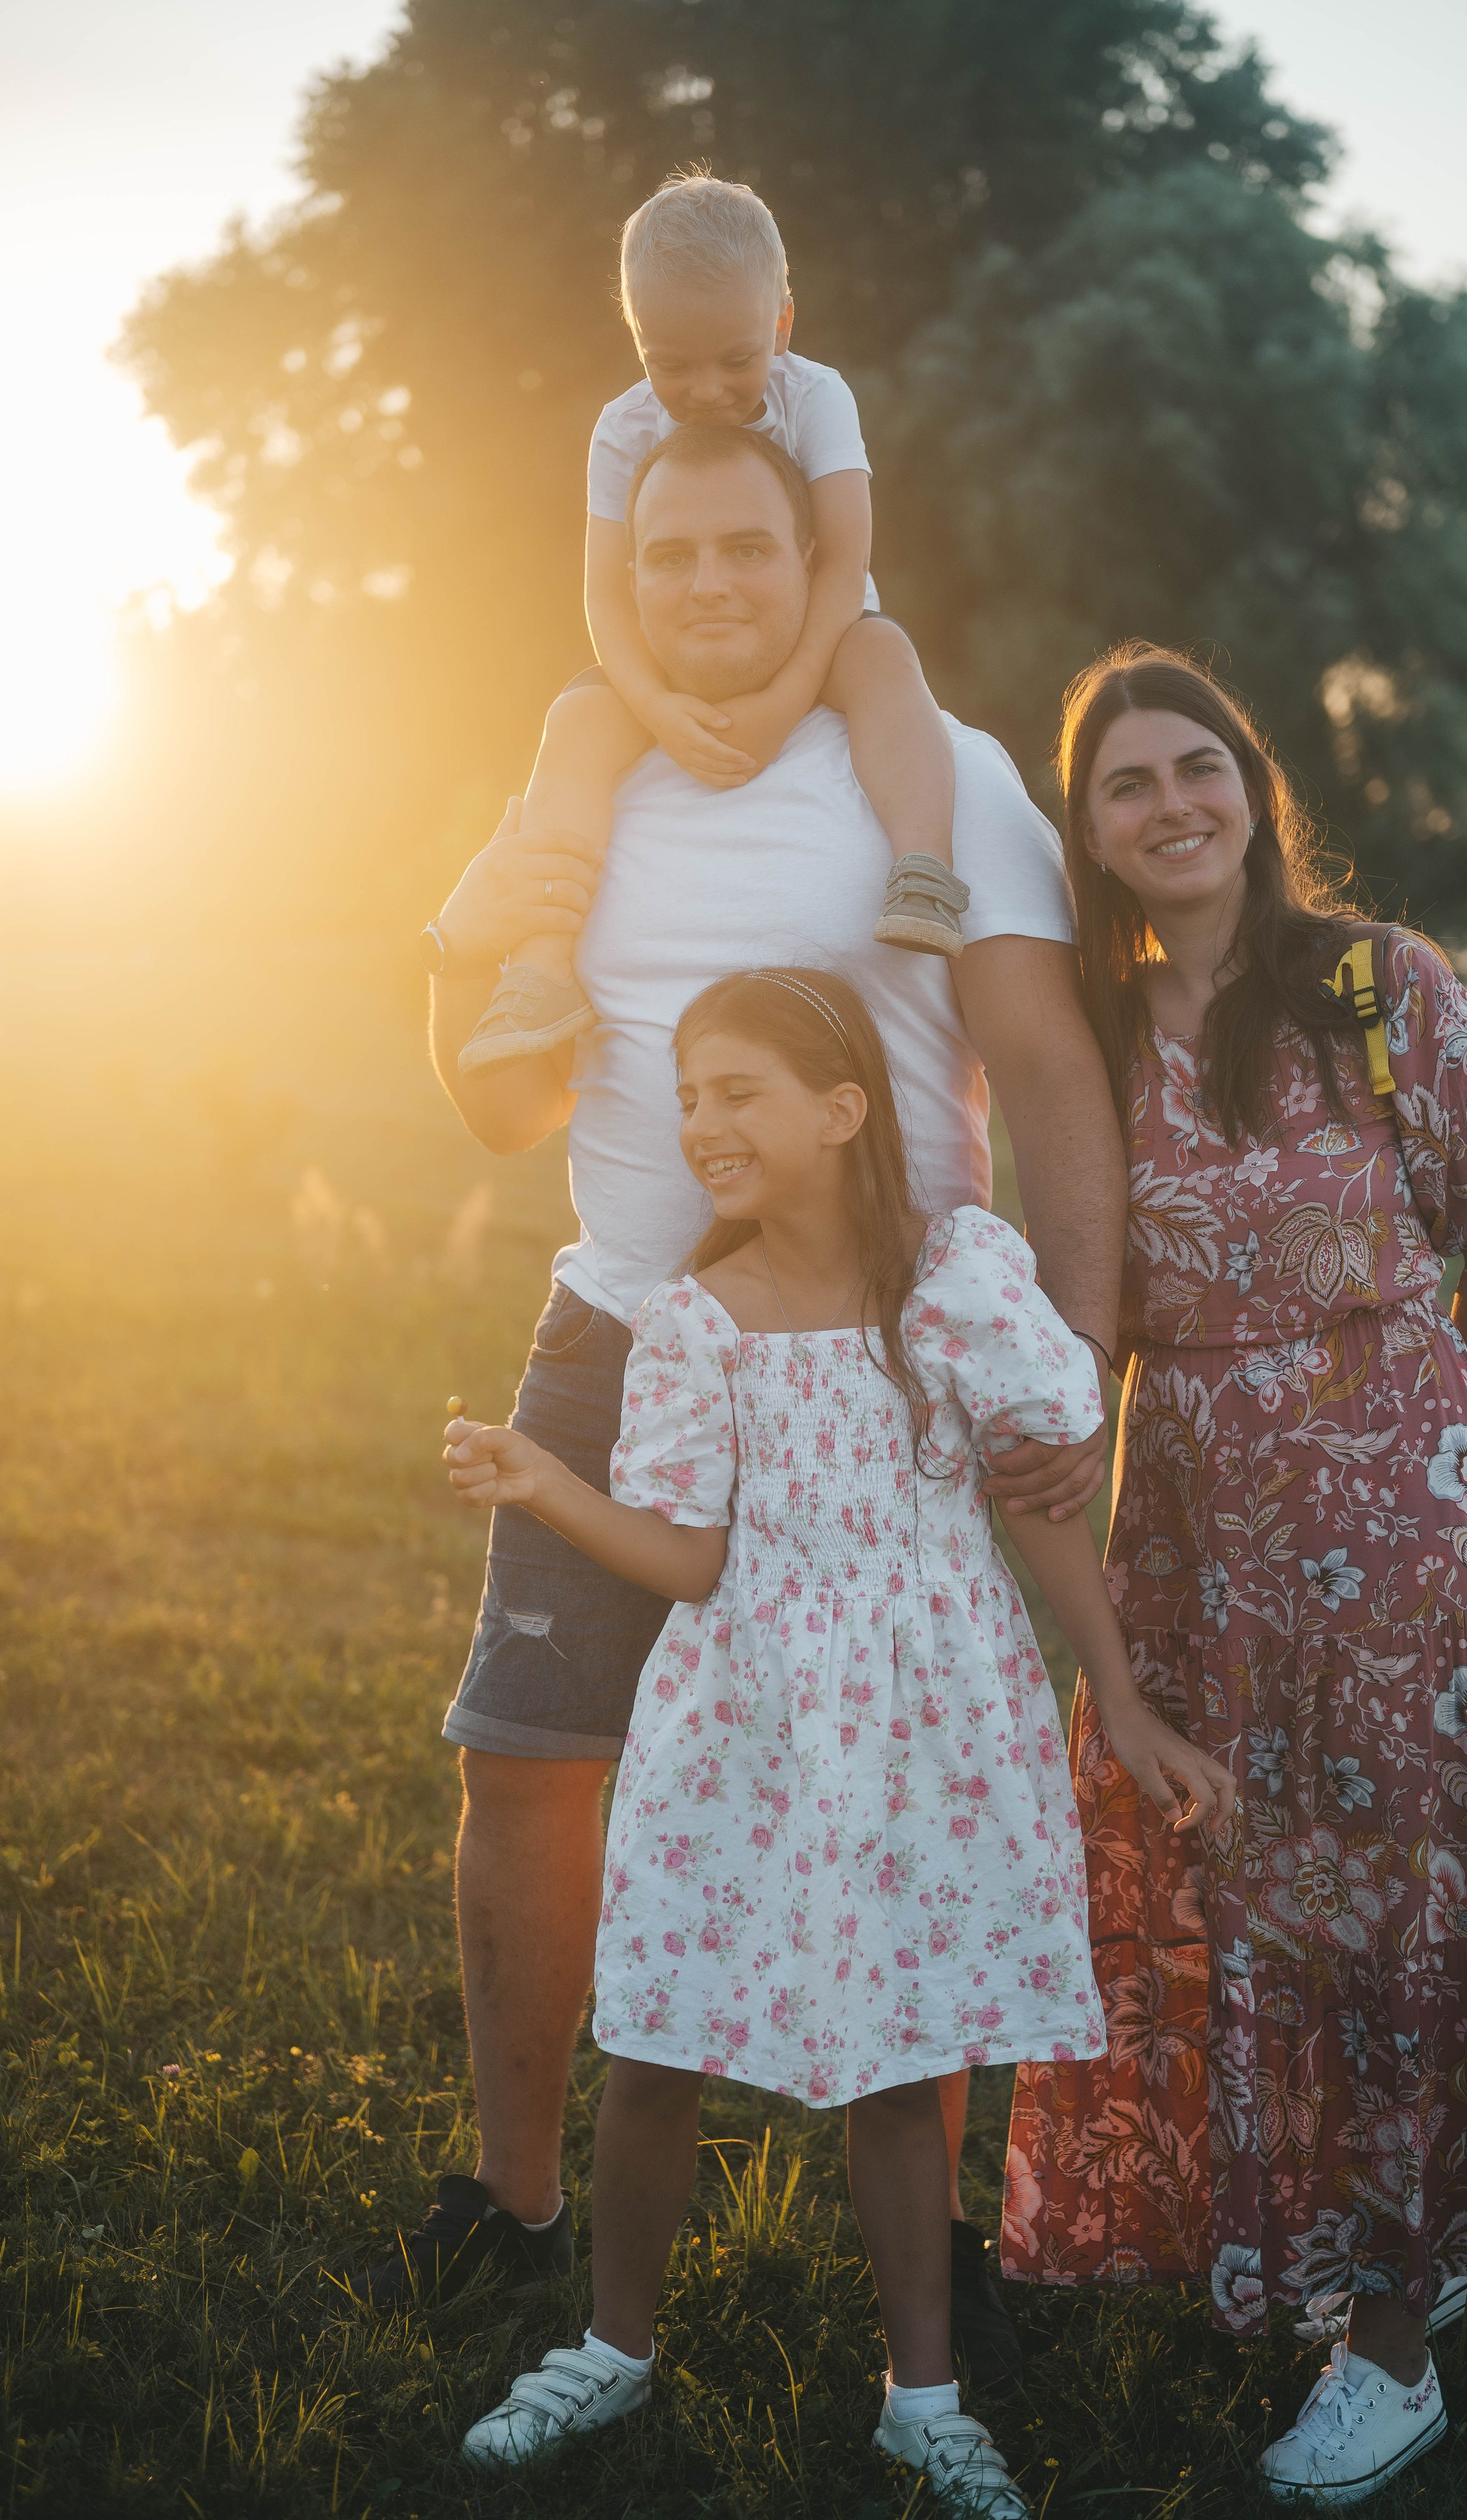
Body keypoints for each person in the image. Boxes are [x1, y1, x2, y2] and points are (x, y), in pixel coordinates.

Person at [381, 420, 1129, 2382]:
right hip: (618, 1340)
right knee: (529, 1761)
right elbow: (500, 1096)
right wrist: (455, 965)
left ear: (821, 570)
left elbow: (1050, 1072)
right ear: (622, 580)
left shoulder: (937, 772)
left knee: (903, 1782)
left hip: (884, 1371)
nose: (708, 585)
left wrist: (1074, 1361)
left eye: (748, 551)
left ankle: (934, 2253)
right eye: (670, 556)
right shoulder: (587, 783)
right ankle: (515, 2205)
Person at [439, 969, 1233, 2506]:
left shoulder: (950, 1277)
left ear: (842, 1109)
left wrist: (1120, 1694)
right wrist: (545, 1483)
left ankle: (920, 2396)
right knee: (655, 2035)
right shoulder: (694, 1317)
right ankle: (610, 2346)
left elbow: (1041, 1482)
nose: (701, 1123)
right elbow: (690, 1557)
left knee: (902, 2052)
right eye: (687, 1096)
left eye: (735, 1091)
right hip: (739, 1720)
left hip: (928, 1717)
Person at [999, 646, 1467, 2507]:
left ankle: (1395, 2350)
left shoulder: (1374, 983)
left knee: (1402, 1915)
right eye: (1126, 784)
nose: (1171, 804)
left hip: (1408, 1531)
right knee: (1257, 1901)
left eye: (1199, 767)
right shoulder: (1088, 1032)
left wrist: (1438, 1443)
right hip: (1193, 1543)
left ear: (1250, 791)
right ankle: (1341, 2244)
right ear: (1090, 833)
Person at [456, 170, 967, 1081]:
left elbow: (842, 560)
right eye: (671, 365)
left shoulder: (817, 397)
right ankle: (541, 966)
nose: (706, 390)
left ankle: (924, 868)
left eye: (737, 360)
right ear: (637, 342)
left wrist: (786, 699)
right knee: (577, 721)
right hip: (675, 656)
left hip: (822, 629)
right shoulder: (622, 430)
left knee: (886, 655)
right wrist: (654, 708)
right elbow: (606, 597)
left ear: (782, 325)